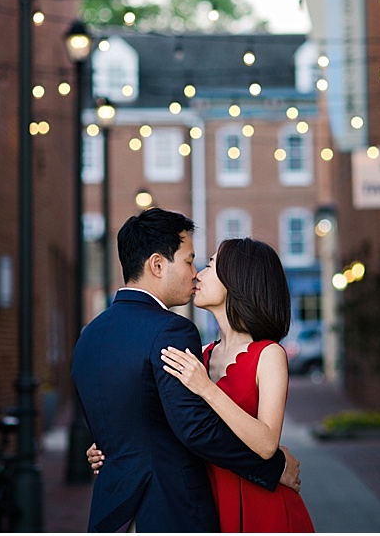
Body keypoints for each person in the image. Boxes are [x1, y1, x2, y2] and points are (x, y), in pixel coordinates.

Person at [71, 209, 301, 532]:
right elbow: (195, 430)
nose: (195, 273)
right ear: (157, 264)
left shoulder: (88, 339)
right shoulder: (172, 332)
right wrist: (274, 467)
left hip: (115, 511)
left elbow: (135, 417)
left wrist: (113, 447)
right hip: (171, 508)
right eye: (191, 260)